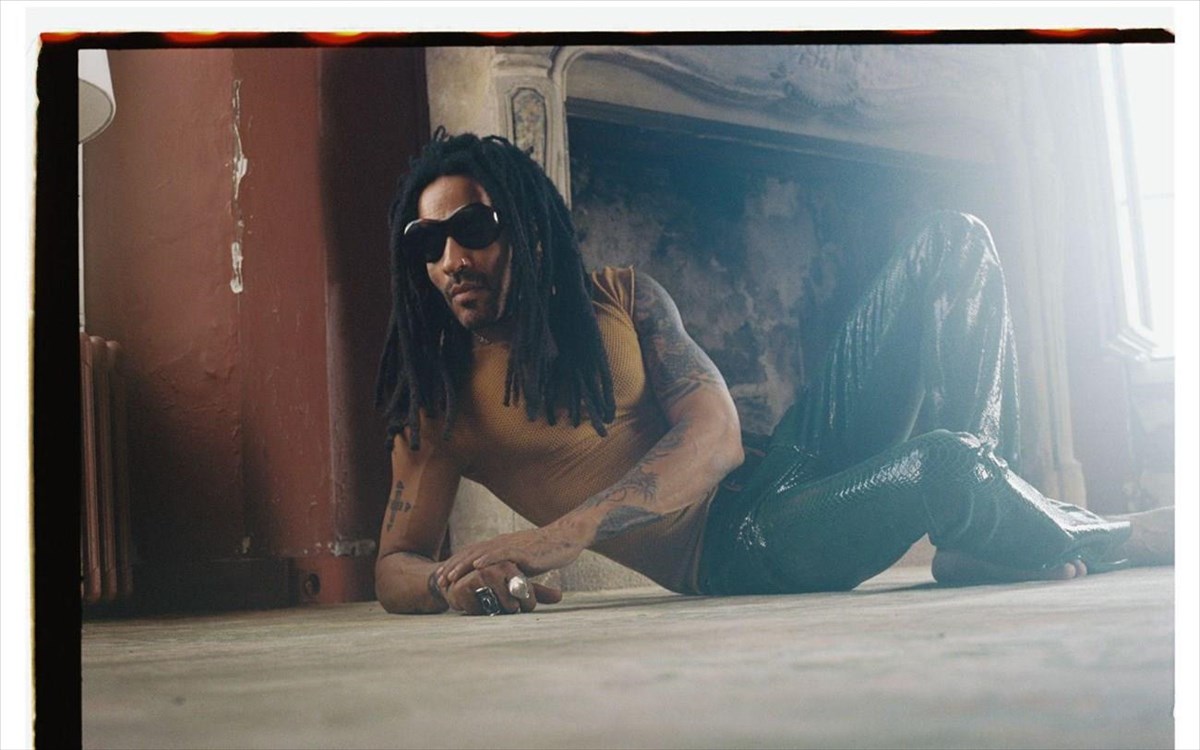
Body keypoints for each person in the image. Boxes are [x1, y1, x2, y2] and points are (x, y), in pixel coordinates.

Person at [373, 130, 1173, 616]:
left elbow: (717, 438)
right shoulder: (440, 402)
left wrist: (557, 538)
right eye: (427, 242)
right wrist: (446, 583)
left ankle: (985, 539)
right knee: (945, 464)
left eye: (473, 228)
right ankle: (1115, 534)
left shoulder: (619, 296)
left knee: (954, 238)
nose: (451, 259)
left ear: (530, 229)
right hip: (738, 548)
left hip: (782, 465)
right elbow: (394, 562)